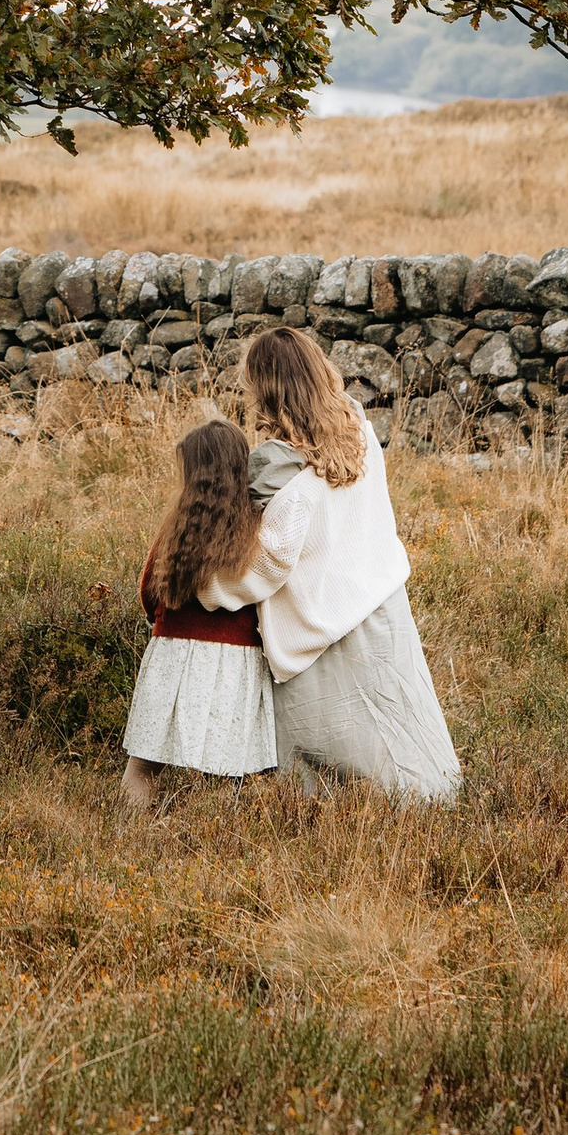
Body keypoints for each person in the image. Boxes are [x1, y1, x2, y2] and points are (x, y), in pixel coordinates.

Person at [237, 324, 461, 801]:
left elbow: (271, 557)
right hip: (381, 603)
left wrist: (209, 583)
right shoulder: (356, 427)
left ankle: (335, 821)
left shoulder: (273, 465)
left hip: (323, 622)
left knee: (329, 756)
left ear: (265, 389)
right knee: (403, 733)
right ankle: (430, 806)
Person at [118, 416, 280, 810]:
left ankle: (123, 835)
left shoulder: (176, 527)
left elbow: (148, 591)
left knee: (143, 765)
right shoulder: (257, 528)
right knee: (228, 771)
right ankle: (212, 847)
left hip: (171, 654)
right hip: (235, 661)